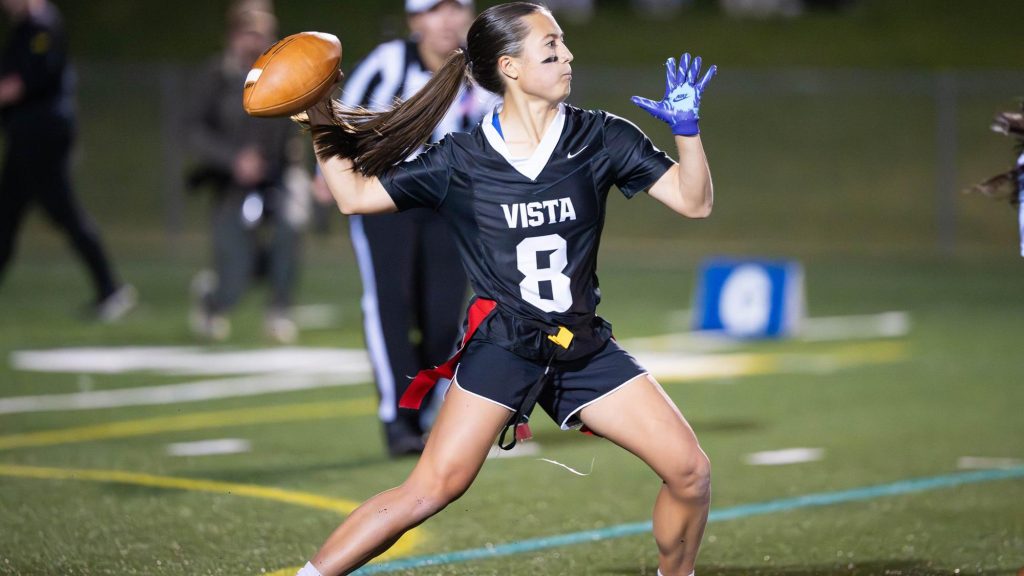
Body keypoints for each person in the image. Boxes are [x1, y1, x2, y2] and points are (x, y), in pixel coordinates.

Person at [296, 3, 715, 575]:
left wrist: (687, 132)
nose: (567, 55)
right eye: (551, 49)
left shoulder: (603, 137)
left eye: (564, 44)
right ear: (510, 68)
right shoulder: (462, 159)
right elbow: (355, 197)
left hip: (580, 345)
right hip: (503, 346)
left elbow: (695, 202)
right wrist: (316, 110)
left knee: (690, 470)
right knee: (430, 488)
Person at [321, 0, 493, 457]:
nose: (448, 20)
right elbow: (339, 121)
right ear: (415, 20)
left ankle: (429, 407)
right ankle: (398, 420)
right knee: (390, 307)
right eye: (435, 10)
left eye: (457, 9)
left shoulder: (485, 69)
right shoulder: (389, 63)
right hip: (387, 198)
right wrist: (331, 174)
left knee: (443, 318)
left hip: (450, 206)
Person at [0, 0, 136, 321]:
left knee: (62, 212)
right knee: (8, 215)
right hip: (26, 137)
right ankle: (109, 287)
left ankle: (110, 287)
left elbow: (22, 83)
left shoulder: (42, 27)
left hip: (42, 137)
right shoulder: (24, 29)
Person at [185, 5, 312, 343]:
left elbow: (303, 125)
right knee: (236, 270)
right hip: (232, 183)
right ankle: (214, 300)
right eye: (247, 35)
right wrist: (233, 160)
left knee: (291, 222)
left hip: (280, 175)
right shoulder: (216, 76)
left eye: (261, 36)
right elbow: (193, 130)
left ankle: (279, 309)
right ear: (233, 37)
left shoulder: (285, 74)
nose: (254, 43)